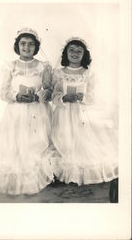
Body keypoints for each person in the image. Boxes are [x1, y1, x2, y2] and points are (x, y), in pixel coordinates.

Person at [0, 28, 54, 195]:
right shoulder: (10, 66)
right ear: (17, 46)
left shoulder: (43, 66)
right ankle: (19, 176)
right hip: (16, 111)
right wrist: (16, 96)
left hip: (37, 111)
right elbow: (3, 92)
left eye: (31, 44)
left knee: (36, 142)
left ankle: (41, 174)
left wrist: (39, 95)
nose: (27, 47)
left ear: (36, 47)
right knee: (18, 143)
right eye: (23, 44)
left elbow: (49, 90)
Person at [51, 37, 118, 186]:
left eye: (79, 51)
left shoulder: (88, 74)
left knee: (82, 143)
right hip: (63, 114)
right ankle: (61, 171)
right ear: (65, 53)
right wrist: (63, 97)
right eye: (71, 50)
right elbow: (54, 96)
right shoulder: (59, 73)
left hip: (81, 113)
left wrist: (83, 96)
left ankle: (80, 171)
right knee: (64, 139)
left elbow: (94, 96)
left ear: (84, 55)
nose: (75, 53)